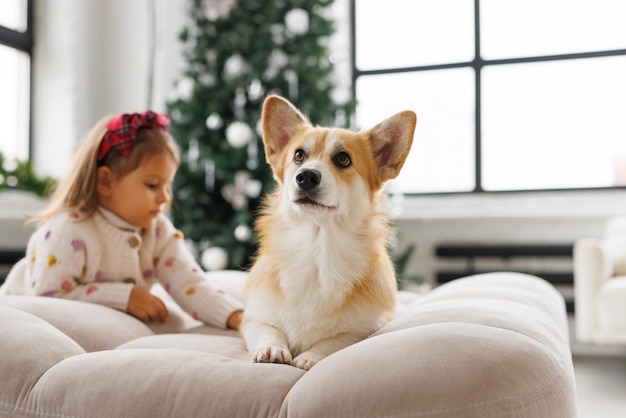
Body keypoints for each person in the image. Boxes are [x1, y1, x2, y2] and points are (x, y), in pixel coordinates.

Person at [0, 111, 244, 330]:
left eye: (168, 186)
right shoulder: (67, 230)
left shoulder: (158, 230)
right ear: (105, 181)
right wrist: (124, 296)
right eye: (152, 185)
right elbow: (48, 297)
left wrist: (237, 316)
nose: (164, 197)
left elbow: (190, 284)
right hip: (18, 318)